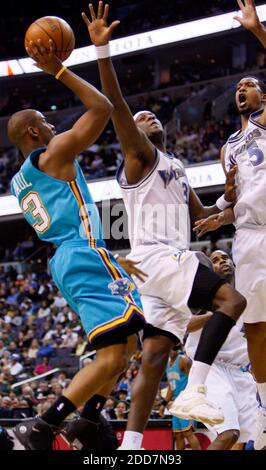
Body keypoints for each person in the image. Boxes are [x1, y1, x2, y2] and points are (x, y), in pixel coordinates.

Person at [82, 2, 246, 450]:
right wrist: (102, 53)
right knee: (233, 301)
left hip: (159, 271)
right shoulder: (139, 158)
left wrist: (233, 196)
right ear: (132, 135)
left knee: (154, 356)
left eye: (152, 116)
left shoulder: (175, 166)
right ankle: (196, 386)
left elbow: (204, 218)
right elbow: (116, 105)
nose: (148, 116)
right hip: (159, 258)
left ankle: (131, 447)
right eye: (141, 118)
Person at [9, 34, 146, 450]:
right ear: (35, 131)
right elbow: (102, 107)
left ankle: (87, 419)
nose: (55, 127)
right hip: (83, 252)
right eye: (48, 124)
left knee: (126, 344)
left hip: (68, 259)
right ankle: (44, 425)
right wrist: (60, 71)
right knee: (115, 354)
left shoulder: (20, 180)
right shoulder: (51, 156)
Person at [193, 0, 266, 450]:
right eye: (238, 86)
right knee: (257, 325)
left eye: (251, 84)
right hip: (251, 236)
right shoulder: (229, 146)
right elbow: (234, 196)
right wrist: (214, 214)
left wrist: (258, 32)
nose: (242, 89)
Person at [185, 250, 258, 450]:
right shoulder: (204, 295)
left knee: (255, 440)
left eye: (225, 258)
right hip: (211, 369)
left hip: (241, 373)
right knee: (227, 434)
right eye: (215, 260)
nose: (222, 261)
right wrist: (220, 313)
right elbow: (185, 325)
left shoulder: (248, 297)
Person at [164, 348, 201, 450]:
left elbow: (194, 379)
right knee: (178, 434)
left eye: (173, 348)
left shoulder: (184, 360)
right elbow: (171, 387)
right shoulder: (167, 364)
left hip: (185, 400)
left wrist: (192, 397)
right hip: (176, 403)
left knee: (187, 432)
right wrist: (164, 403)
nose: (170, 350)